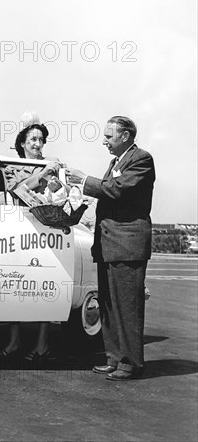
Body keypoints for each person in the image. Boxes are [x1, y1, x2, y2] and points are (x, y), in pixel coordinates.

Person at [66, 116, 155, 381]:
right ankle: (115, 358)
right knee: (109, 307)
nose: (104, 141)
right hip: (110, 245)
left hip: (127, 245)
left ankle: (130, 363)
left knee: (127, 307)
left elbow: (118, 190)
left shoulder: (142, 159)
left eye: (108, 136)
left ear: (126, 136)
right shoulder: (116, 162)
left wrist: (84, 181)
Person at [0, 113, 61, 364]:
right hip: (18, 229)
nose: (38, 144)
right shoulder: (10, 166)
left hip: (45, 230)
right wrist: (43, 174)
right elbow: (17, 190)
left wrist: (56, 181)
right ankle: (14, 341)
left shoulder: (52, 165)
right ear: (22, 143)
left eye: (41, 139)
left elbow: (59, 194)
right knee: (13, 285)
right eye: (33, 139)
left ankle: (42, 344)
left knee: (43, 285)